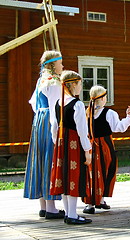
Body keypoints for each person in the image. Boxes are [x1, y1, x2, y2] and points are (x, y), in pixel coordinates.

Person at [23, 50, 65, 219]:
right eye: (60, 63)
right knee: (49, 160)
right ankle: (51, 208)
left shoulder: (41, 80)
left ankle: (43, 206)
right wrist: (55, 132)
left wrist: (40, 117)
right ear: (54, 64)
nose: (62, 66)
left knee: (39, 159)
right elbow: (55, 108)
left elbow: (33, 103)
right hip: (48, 121)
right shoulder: (54, 82)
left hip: (38, 121)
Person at [82, 86, 130, 214]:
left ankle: (93, 202)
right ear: (101, 98)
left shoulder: (86, 112)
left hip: (89, 146)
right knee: (105, 170)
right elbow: (119, 127)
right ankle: (97, 200)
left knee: (91, 173)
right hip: (104, 146)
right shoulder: (109, 113)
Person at [50, 70, 92, 224]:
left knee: (64, 177)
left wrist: (57, 144)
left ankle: (69, 213)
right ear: (73, 84)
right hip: (74, 144)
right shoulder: (78, 104)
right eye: (80, 84)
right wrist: (87, 150)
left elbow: (54, 127)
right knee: (73, 176)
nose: (81, 87)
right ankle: (73, 215)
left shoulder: (58, 103)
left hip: (61, 144)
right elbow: (82, 130)